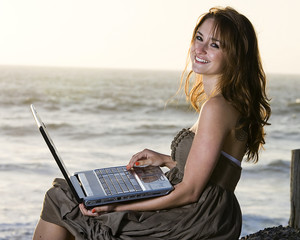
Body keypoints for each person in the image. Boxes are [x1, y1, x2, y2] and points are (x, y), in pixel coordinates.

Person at [33, 6, 271, 240]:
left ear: (235, 56)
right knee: (75, 195)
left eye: (214, 44)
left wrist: (118, 208)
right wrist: (166, 160)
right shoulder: (228, 103)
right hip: (212, 213)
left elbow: (191, 191)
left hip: (197, 217)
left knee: (62, 197)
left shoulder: (217, 107)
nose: (200, 48)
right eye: (199, 38)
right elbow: (215, 172)